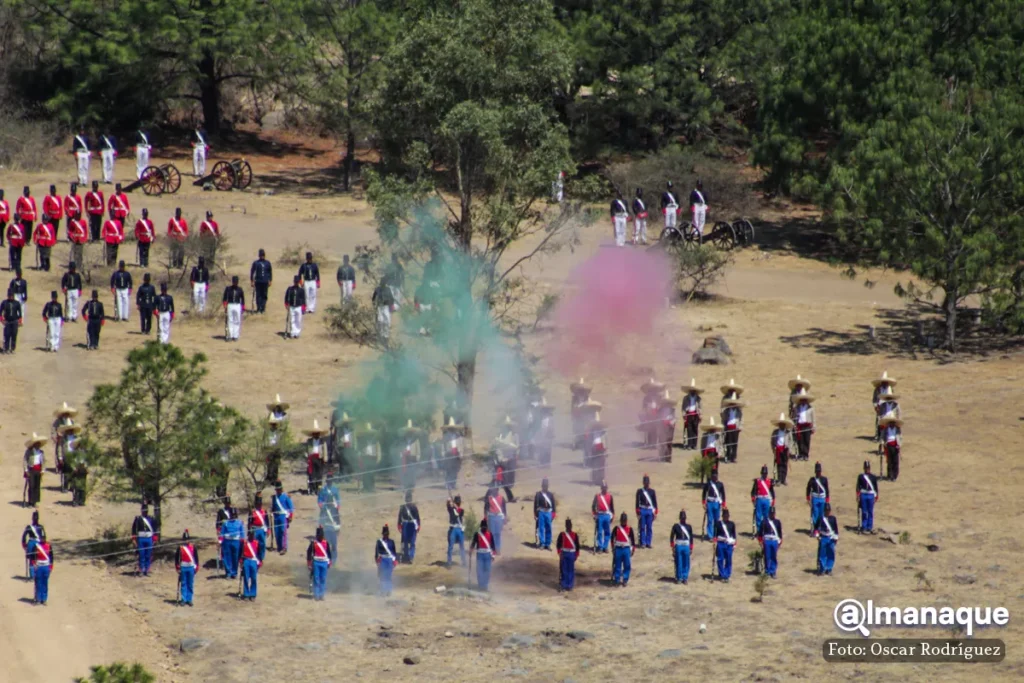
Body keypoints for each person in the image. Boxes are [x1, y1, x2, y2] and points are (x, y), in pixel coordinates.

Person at [305, 526, 333, 601]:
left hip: (324, 563)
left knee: (323, 579)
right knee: (316, 579)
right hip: (316, 562)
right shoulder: (313, 543)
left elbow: (329, 553)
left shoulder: (326, 543)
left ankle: (321, 595)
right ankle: (316, 595)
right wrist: (309, 563)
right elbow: (309, 552)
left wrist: (330, 561)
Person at [131, 503, 159, 576]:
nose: (144, 512)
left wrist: (155, 539)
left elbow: (155, 529)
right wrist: (134, 539)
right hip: (141, 538)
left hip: (149, 538)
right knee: (141, 554)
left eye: (145, 510)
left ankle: (147, 569)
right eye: (143, 510)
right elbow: (134, 529)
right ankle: (141, 569)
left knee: (148, 554)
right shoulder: (138, 519)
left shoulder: (151, 519)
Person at [318, 474, 341, 561]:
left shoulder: (335, 489)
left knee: (334, 545)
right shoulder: (323, 489)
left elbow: (338, 499)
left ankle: (334, 560)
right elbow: (320, 499)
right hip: (324, 509)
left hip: (333, 511)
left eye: (331, 480)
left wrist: (337, 505)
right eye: (329, 480)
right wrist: (321, 505)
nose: (330, 482)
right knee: (326, 543)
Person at [470, 518, 497, 591]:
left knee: (487, 570)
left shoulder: (490, 534)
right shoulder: (477, 534)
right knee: (479, 570)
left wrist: (493, 555)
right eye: (483, 527)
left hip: (488, 554)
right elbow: (473, 543)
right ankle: (480, 585)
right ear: (481, 527)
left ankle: (485, 585)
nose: (484, 528)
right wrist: (471, 549)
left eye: (485, 527)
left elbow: (493, 546)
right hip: (480, 554)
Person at [611, 512, 637, 587]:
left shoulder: (629, 529)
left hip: (626, 549)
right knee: (617, 565)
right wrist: (613, 548)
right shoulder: (616, 529)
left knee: (627, 565)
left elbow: (632, 540)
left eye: (624, 520)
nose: (623, 522)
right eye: (622, 520)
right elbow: (612, 538)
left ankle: (625, 579)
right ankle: (617, 579)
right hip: (618, 549)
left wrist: (633, 549)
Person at [757, 506, 783, 578]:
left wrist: (780, 542)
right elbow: (760, 533)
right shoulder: (764, 521)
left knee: (773, 557)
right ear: (768, 513)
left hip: (774, 541)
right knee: (767, 556)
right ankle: (767, 571)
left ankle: (773, 571)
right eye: (771, 513)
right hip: (767, 541)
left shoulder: (777, 522)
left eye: (773, 513)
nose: (772, 514)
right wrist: (760, 541)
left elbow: (780, 533)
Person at [669, 510, 695, 584]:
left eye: (684, 518)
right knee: (679, 562)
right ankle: (679, 577)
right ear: (680, 518)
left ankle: (685, 577)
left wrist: (691, 547)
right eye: (682, 518)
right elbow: (672, 536)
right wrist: (672, 546)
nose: (683, 519)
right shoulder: (676, 526)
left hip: (686, 545)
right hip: (679, 545)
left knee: (686, 562)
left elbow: (691, 537)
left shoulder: (689, 527)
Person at [769, 413, 795, 485]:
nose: (781, 425)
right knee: (779, 464)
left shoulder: (788, 432)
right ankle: (779, 479)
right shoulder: (775, 432)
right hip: (778, 449)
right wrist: (773, 449)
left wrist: (789, 449)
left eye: (783, 424)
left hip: (785, 449)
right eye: (780, 424)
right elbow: (772, 441)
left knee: (784, 464)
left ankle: (783, 479)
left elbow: (791, 441)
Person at [638, 377, 664, 447]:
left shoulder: (659, 397)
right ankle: (648, 443)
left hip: (657, 415)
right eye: (651, 389)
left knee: (656, 429)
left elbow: (661, 406)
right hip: (648, 415)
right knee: (648, 429)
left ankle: (655, 443)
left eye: (653, 389)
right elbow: (644, 407)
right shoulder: (646, 398)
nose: (652, 391)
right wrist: (644, 414)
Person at [555, 518, 580, 592]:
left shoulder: (575, 535)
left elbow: (577, 546)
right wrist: (559, 553)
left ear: (571, 526)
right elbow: (558, 544)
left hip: (571, 553)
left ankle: (570, 585)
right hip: (564, 553)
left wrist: (576, 555)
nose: (569, 526)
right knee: (564, 570)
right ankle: (564, 584)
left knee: (570, 570)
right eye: (568, 525)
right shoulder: (562, 534)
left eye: (570, 525)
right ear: (566, 526)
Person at [814, 502, 839, 575]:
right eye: (826, 510)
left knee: (831, 554)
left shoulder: (833, 519)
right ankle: (822, 569)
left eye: (828, 510)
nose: (827, 512)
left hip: (831, 538)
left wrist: (836, 538)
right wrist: (818, 536)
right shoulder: (821, 518)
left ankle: (829, 568)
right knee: (823, 554)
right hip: (823, 538)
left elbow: (835, 529)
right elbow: (816, 529)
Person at [175, 530, 198, 606]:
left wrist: (196, 567)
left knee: (190, 583)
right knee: (184, 583)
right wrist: (178, 567)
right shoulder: (180, 548)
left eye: (187, 539)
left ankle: (189, 599)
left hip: (191, 567)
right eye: (185, 539)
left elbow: (196, 557)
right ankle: (183, 599)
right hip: (183, 567)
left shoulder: (193, 547)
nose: (186, 541)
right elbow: (177, 558)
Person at [701, 467, 726, 541]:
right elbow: (704, 493)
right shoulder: (708, 484)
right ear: (711, 476)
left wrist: (723, 504)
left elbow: (723, 494)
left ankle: (716, 534)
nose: (715, 476)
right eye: (713, 475)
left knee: (717, 520)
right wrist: (703, 502)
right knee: (710, 520)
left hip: (717, 503)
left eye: (716, 475)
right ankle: (710, 535)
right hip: (709, 503)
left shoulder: (720, 484)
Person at [805, 461, 830, 533]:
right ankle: (815, 528)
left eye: (819, 471)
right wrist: (808, 498)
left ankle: (820, 527)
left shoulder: (824, 479)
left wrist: (827, 499)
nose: (818, 473)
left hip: (822, 498)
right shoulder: (812, 480)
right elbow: (808, 488)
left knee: (821, 514)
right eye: (817, 471)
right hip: (815, 498)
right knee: (815, 514)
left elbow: (827, 489)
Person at [635, 474, 659, 549]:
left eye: (647, 482)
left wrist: (655, 512)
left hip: (649, 510)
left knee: (649, 527)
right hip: (642, 510)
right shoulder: (639, 491)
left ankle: (648, 542)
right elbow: (637, 503)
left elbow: (655, 503)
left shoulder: (652, 491)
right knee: (642, 527)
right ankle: (643, 543)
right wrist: (638, 512)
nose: (646, 484)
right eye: (645, 482)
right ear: (643, 483)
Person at [219, 509, 244, 579]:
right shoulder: (226, 523)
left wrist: (243, 541)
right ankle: (228, 572)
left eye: (234, 515)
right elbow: (222, 533)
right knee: (227, 557)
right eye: (232, 515)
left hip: (236, 542)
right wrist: (220, 541)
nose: (233, 517)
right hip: (227, 541)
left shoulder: (239, 523)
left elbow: (242, 532)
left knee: (235, 557)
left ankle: (234, 573)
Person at [397, 491, 421, 564]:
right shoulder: (403, 507)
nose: (408, 500)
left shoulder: (413, 507)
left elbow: (417, 517)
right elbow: (400, 517)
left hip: (412, 524)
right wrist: (399, 526)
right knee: (406, 541)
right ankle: (407, 556)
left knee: (412, 542)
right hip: (406, 524)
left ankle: (410, 556)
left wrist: (418, 526)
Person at [856, 460, 879, 534]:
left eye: (868, 467)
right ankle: (864, 526)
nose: (867, 469)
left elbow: (875, 487)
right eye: (866, 468)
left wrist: (876, 496)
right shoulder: (861, 476)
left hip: (871, 495)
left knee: (870, 511)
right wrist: (858, 495)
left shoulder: (873, 477)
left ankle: (870, 527)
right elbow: (858, 487)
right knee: (864, 511)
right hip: (863, 495)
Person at [713, 508, 737, 582]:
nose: (726, 517)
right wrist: (714, 542)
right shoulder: (718, 524)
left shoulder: (732, 524)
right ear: (722, 516)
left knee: (728, 559)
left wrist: (734, 544)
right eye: (725, 516)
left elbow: (734, 535)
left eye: (727, 516)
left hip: (729, 544)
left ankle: (727, 574)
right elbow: (715, 534)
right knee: (720, 559)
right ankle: (722, 574)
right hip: (721, 543)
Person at [791, 388, 815, 460]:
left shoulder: (810, 408)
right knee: (800, 440)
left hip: (807, 426)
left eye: (804, 399)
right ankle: (801, 454)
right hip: (799, 426)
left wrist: (813, 427)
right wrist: (794, 426)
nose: (803, 401)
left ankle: (806, 454)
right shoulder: (796, 408)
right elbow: (794, 417)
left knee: (807, 440)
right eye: (802, 399)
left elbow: (813, 418)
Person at [591, 481, 615, 553]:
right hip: (600, 515)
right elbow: (593, 506)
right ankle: (600, 547)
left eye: (605, 488)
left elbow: (612, 508)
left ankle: (605, 547)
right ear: (601, 488)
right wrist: (595, 515)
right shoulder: (597, 496)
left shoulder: (610, 496)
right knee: (600, 532)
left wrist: (612, 516)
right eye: (603, 488)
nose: (604, 489)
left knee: (607, 532)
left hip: (607, 515)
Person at [751, 464, 775, 533]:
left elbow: (772, 492)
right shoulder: (757, 481)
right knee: (758, 516)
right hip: (759, 499)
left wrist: (773, 500)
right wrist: (753, 499)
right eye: (763, 473)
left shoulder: (769, 481)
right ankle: (759, 531)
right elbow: (753, 491)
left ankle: (766, 530)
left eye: (765, 473)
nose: (764, 475)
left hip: (767, 500)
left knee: (766, 516)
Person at [375, 524, 399, 595]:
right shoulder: (379, 542)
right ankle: (383, 590)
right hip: (382, 559)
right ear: (383, 534)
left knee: (388, 576)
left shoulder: (391, 542)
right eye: (385, 534)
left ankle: (388, 590)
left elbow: (394, 552)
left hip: (389, 560)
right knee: (382, 575)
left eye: (387, 534)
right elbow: (376, 552)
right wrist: (377, 560)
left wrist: (395, 560)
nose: (386, 535)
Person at [271, 481, 294, 554]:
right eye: (277, 489)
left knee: (283, 532)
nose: (278, 490)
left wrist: (290, 516)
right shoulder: (274, 498)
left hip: (283, 516)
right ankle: (279, 547)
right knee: (277, 532)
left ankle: (284, 547)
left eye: (279, 489)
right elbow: (273, 507)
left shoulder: (286, 497)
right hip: (276, 516)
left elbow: (291, 508)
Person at [533, 478, 556, 550]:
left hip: (548, 512)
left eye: (546, 486)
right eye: (544, 486)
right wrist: (535, 514)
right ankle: (542, 543)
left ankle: (548, 544)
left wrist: (553, 513)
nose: (545, 487)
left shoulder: (550, 495)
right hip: (541, 512)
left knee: (549, 528)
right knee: (541, 528)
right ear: (542, 486)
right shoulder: (538, 494)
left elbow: (553, 505)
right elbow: (535, 505)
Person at [304, 419, 326, 494]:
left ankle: (318, 489)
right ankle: (313, 488)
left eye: (317, 433)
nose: (316, 434)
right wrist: (307, 458)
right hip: (312, 458)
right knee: (312, 475)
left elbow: (325, 450)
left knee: (319, 474)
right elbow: (306, 450)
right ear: (313, 434)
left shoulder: (322, 441)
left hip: (319, 458)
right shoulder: (309, 441)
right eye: (315, 433)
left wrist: (325, 459)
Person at [31, 529, 53, 605]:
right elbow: (33, 557)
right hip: (39, 566)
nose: (43, 539)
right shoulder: (36, 546)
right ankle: (38, 599)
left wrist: (50, 567)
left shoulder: (48, 546)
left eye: (44, 537)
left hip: (46, 567)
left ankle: (44, 599)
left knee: (45, 583)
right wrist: (34, 565)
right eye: (42, 537)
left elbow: (51, 557)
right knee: (38, 583)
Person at [22, 511, 46, 580]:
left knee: (32, 560)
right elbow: (44, 537)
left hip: (31, 544)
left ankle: (32, 576)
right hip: (38, 544)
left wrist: (25, 545)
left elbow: (24, 537)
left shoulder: (29, 527)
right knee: (38, 560)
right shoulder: (40, 527)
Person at [484, 486, 508, 553]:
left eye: (495, 489)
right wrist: (485, 518)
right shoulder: (489, 498)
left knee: (498, 534)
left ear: (497, 490)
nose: (494, 491)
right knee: (492, 534)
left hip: (499, 517)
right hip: (491, 517)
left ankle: (498, 548)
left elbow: (504, 509)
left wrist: (505, 517)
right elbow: (486, 508)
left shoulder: (502, 498)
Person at [680, 379, 703, 450]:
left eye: (694, 390)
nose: (692, 391)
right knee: (689, 430)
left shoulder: (698, 398)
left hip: (696, 415)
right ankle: (689, 444)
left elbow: (700, 407)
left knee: (695, 429)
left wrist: (700, 415)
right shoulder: (686, 398)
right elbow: (683, 407)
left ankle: (694, 444)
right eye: (691, 390)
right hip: (688, 415)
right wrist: (684, 415)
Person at [240, 528, 261, 601]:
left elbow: (259, 554)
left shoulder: (256, 543)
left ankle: (253, 594)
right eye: (250, 534)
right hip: (246, 560)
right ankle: (246, 594)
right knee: (246, 577)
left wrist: (260, 562)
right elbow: (241, 553)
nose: (252, 536)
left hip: (253, 561)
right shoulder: (245, 543)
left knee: (254, 578)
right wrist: (241, 561)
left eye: (253, 534)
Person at [721, 396, 744, 463]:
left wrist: (740, 426)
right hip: (728, 427)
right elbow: (724, 419)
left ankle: (733, 457)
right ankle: (727, 456)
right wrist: (723, 427)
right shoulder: (726, 411)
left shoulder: (738, 411)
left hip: (735, 427)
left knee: (734, 443)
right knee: (728, 442)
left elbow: (741, 419)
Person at [879, 416, 903, 481]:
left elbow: (900, 438)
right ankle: (889, 476)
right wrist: (882, 442)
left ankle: (895, 476)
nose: (892, 424)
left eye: (893, 423)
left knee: (895, 461)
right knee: (889, 462)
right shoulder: (885, 429)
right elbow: (881, 437)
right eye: (890, 423)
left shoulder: (897, 429)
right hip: (888, 446)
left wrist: (899, 444)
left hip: (895, 446)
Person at [222, 275, 245, 341]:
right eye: (234, 281)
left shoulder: (240, 289)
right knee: (230, 320)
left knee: (237, 320)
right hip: (230, 305)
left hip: (237, 305)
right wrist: (225, 306)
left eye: (236, 282)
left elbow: (242, 299)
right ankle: (230, 335)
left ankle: (235, 335)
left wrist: (242, 307)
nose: (235, 283)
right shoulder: (228, 289)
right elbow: (224, 298)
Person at [250, 248, 273, 314]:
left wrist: (270, 280)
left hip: (265, 281)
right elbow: (252, 272)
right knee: (258, 295)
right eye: (261, 255)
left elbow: (270, 272)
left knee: (264, 295)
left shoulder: (267, 263)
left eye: (263, 255)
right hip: (258, 281)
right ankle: (258, 308)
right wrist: (252, 281)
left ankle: (263, 308)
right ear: (259, 255)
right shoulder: (256, 263)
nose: (262, 256)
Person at [248, 494, 270, 562]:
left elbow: (267, 521)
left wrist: (268, 530)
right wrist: (249, 531)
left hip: (262, 529)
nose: (259, 505)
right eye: (258, 503)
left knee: (262, 544)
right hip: (255, 529)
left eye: (260, 503)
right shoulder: (252, 512)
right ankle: (255, 556)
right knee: (254, 543)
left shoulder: (264, 511)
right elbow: (250, 522)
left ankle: (261, 557)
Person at [446, 495, 466, 568]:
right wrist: (448, 501)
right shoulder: (451, 509)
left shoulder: (461, 510)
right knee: (451, 546)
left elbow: (459, 513)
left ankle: (464, 562)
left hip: (459, 529)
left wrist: (454, 506)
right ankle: (449, 562)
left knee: (461, 546)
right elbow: (448, 506)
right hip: (453, 529)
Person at [657, 390, 677, 462]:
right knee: (662, 442)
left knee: (668, 443)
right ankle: (662, 457)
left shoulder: (672, 410)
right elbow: (657, 418)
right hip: (662, 427)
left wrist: (670, 423)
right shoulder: (660, 410)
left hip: (669, 427)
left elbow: (674, 418)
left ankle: (668, 458)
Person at [1, 288, 23, 354]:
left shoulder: (17, 303)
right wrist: (2, 320)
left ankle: (12, 348)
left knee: (14, 335)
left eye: (12, 295)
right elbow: (0, 312)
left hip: (14, 321)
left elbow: (20, 313)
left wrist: (20, 321)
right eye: (9, 295)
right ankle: (6, 348)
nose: (11, 297)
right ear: (7, 295)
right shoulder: (4, 303)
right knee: (7, 335)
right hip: (7, 321)